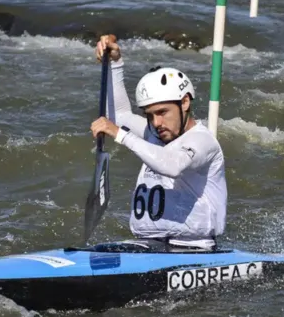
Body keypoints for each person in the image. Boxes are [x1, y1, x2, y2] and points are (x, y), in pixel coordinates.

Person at [90, 34, 227, 250]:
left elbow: (172, 165)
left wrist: (121, 135)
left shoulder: (203, 141)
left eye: (163, 112)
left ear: (184, 102)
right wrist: (114, 63)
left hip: (193, 249)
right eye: (150, 115)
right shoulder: (154, 133)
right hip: (147, 245)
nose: (157, 122)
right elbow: (119, 116)